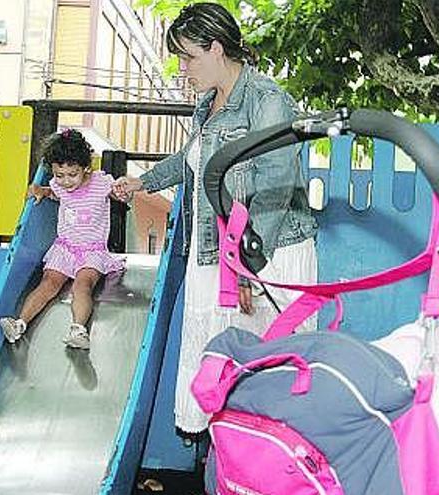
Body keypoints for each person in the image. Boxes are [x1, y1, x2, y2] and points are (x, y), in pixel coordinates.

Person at [111, 2, 318, 434]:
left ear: (217, 48)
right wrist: (142, 182)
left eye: (189, 56)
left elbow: (275, 185)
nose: (182, 68)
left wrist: (248, 264)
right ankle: (226, 464)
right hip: (219, 251)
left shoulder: (267, 101)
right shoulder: (207, 105)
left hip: (266, 252)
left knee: (265, 368)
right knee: (217, 366)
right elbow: (194, 161)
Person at [0, 129, 125, 350]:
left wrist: (124, 191)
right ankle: (19, 324)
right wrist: (41, 190)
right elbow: (54, 192)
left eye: (72, 174)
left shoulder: (101, 182)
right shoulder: (59, 185)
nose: (66, 181)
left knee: (82, 285)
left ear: (86, 168)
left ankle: (79, 330)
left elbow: (118, 193)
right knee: (48, 283)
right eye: (60, 175)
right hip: (64, 248)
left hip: (91, 251)